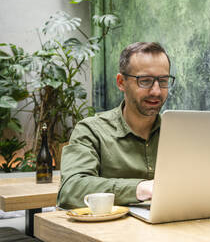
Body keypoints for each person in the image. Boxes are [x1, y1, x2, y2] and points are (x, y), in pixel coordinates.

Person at [57, 42, 175, 209]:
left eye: (163, 81)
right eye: (145, 81)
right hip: (108, 232)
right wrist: (140, 189)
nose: (156, 91)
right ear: (121, 82)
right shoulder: (91, 131)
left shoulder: (179, 132)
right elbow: (71, 190)